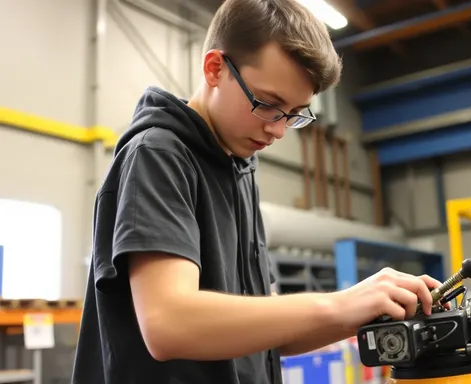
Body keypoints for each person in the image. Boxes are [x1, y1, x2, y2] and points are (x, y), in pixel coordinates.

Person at [71, 0, 444, 383]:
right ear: (215, 68)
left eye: (295, 113)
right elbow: (168, 324)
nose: (279, 130)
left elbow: (267, 335)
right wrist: (337, 304)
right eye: (268, 104)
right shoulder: (159, 155)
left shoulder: (239, 165)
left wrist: (368, 310)